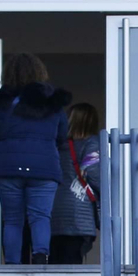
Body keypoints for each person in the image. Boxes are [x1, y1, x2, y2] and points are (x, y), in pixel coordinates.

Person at [0, 53, 71, 265]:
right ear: (40, 73)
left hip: (8, 167)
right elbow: (62, 135)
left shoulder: (1, 102)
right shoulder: (52, 102)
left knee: (12, 219)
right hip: (44, 167)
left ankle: (12, 263)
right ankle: (40, 257)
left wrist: (5, 143)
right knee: (40, 216)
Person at [51, 101, 102, 265]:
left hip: (55, 209)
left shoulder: (57, 146)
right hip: (79, 213)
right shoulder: (92, 143)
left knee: (56, 259)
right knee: (72, 261)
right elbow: (94, 173)